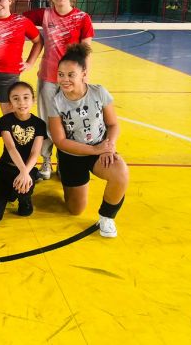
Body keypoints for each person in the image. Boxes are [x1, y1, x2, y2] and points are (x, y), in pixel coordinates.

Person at [47, 44, 129, 238]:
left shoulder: (99, 92)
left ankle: (107, 217)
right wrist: (94, 150)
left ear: (83, 74)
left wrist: (108, 147)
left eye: (71, 75)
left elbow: (113, 125)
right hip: (72, 155)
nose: (64, 79)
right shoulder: (55, 102)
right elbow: (60, 141)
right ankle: (67, 176)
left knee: (121, 173)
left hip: (100, 150)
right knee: (75, 210)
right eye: (61, 74)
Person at [23, 0, 93, 181]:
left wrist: (84, 77)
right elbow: (15, 18)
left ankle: (65, 161)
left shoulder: (83, 18)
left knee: (69, 122)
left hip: (72, 80)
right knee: (46, 121)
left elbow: (86, 51)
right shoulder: (43, 14)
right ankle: (46, 160)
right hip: (48, 77)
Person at [0, 82, 45, 223]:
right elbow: (11, 148)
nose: (21, 102)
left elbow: (35, 153)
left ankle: (25, 198)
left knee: (24, 210)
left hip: (28, 169)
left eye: (26, 97)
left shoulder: (39, 124)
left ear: (33, 100)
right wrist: (22, 171)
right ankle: (11, 192)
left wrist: (25, 173)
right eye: (16, 98)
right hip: (6, 169)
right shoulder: (5, 121)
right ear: (10, 103)